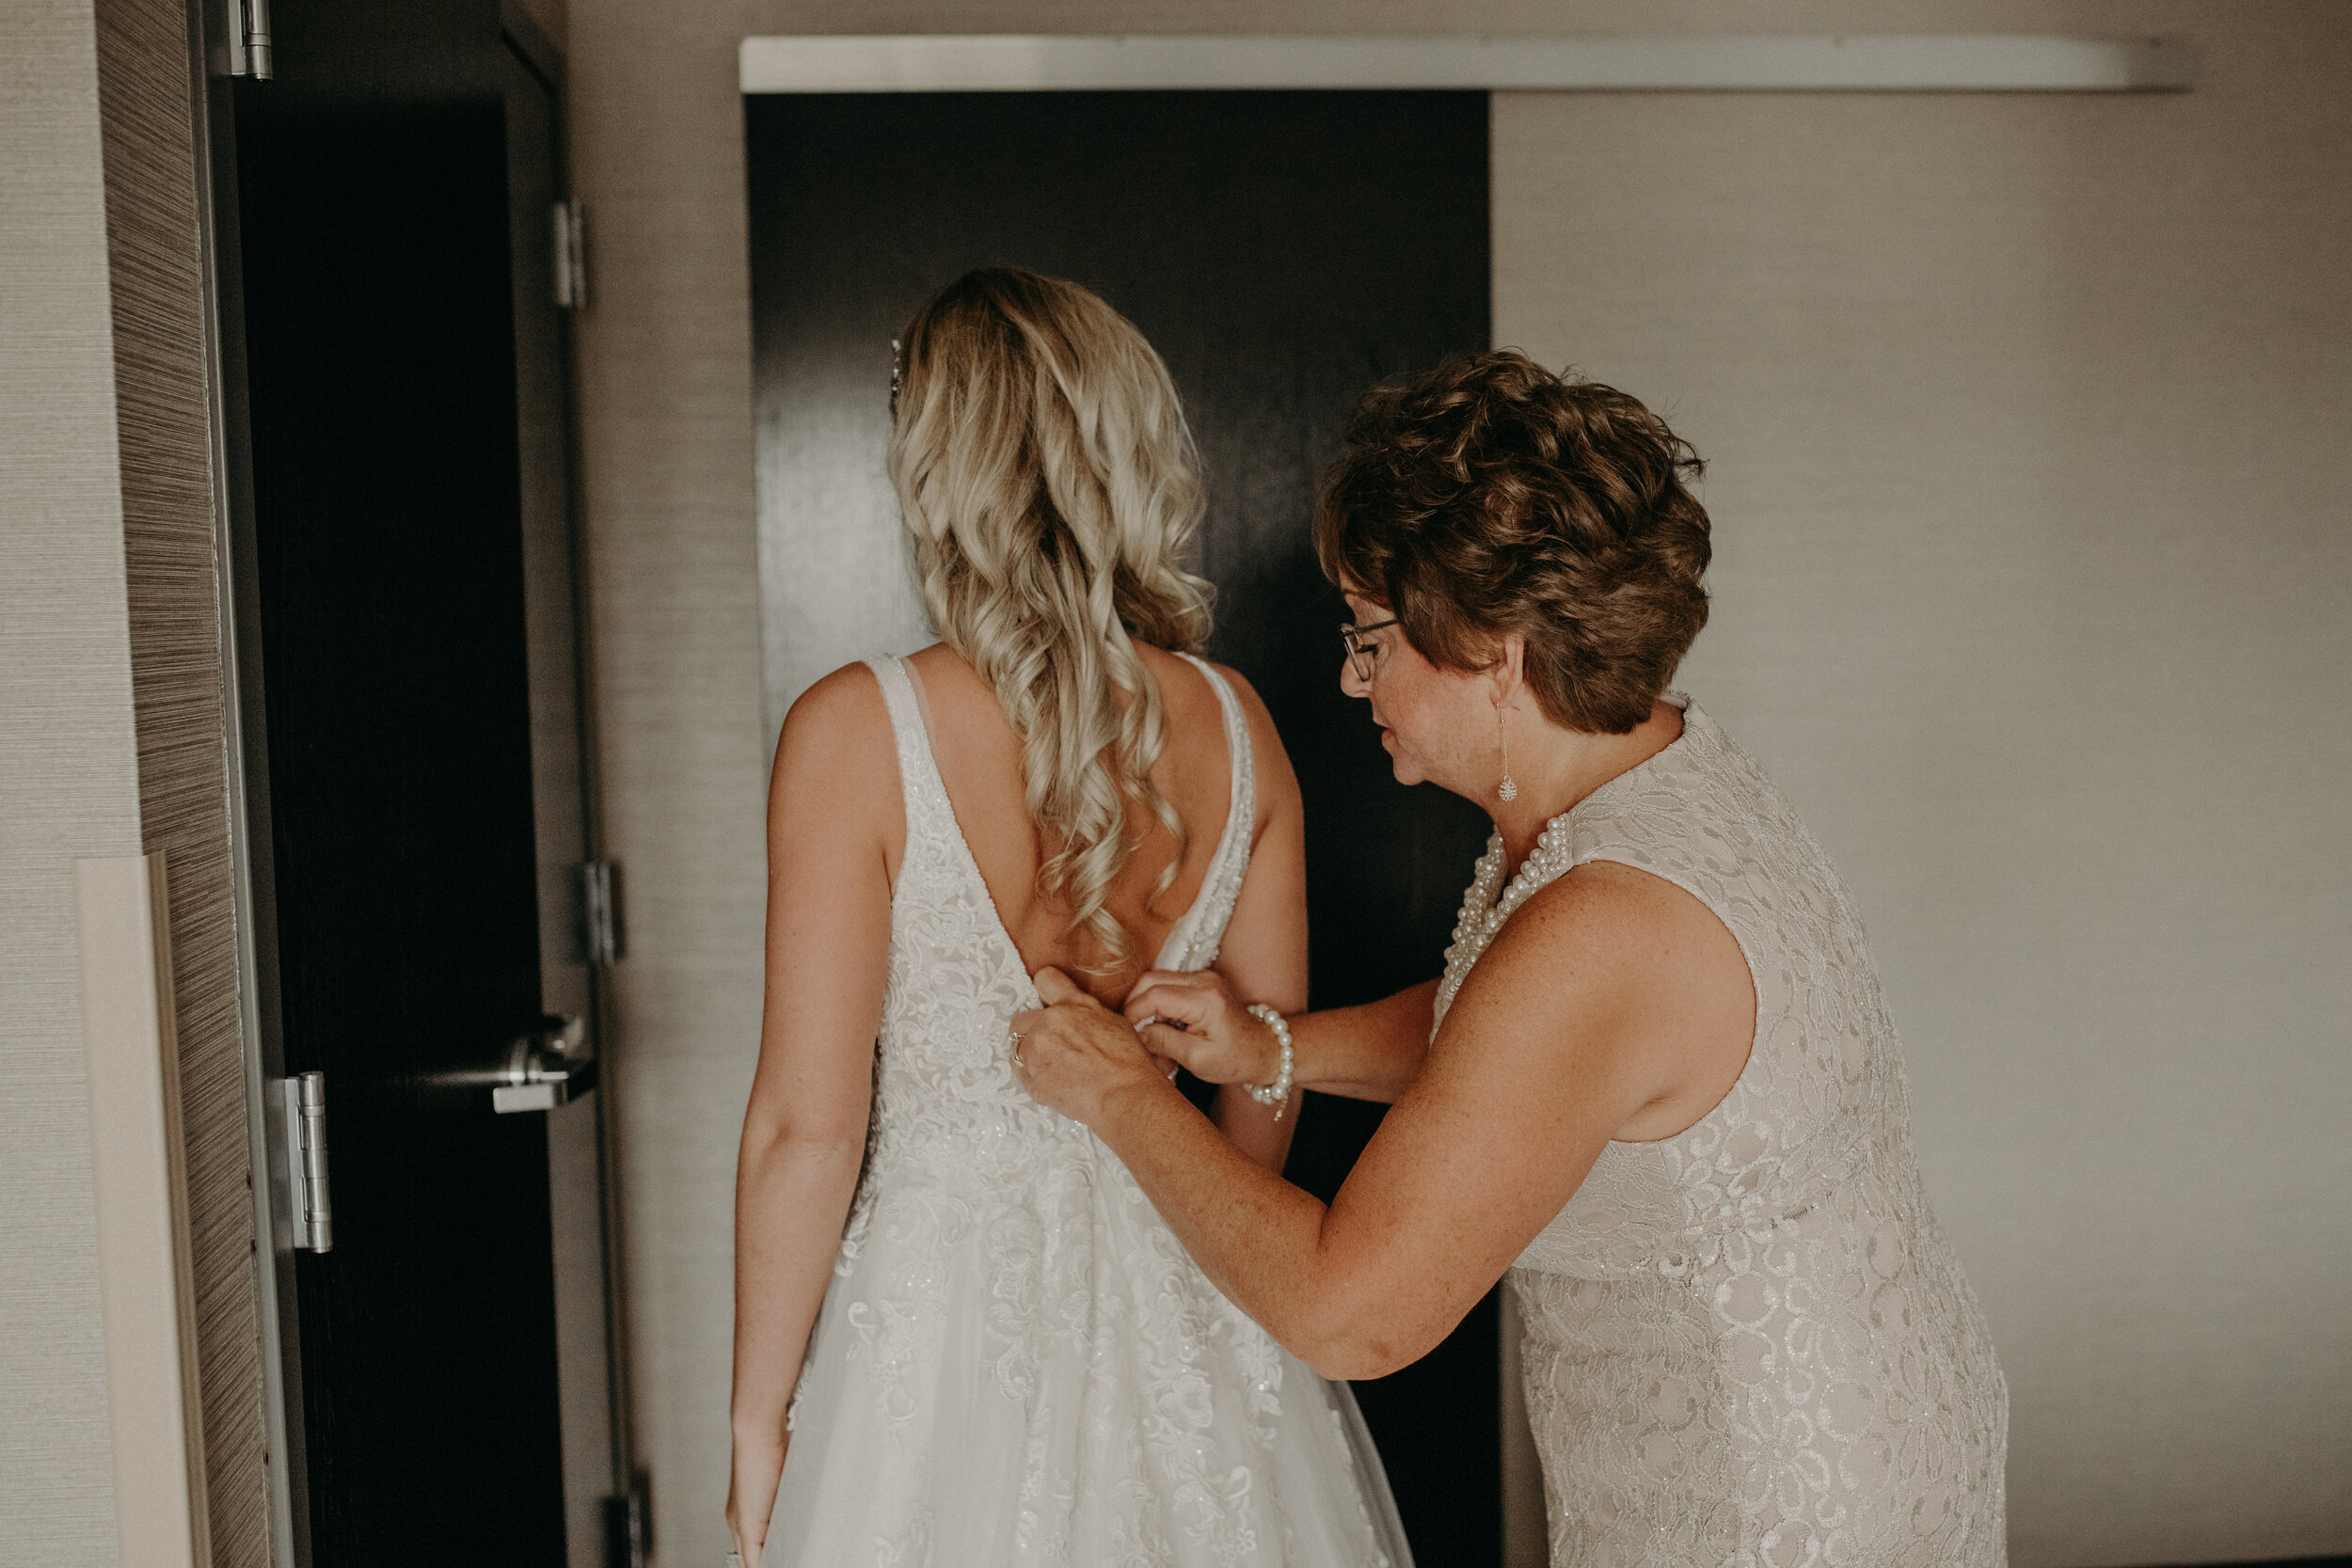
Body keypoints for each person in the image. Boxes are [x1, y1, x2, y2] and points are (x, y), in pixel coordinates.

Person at [1012, 351, 2010, 1566]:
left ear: (1494, 644)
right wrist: (1269, 1045)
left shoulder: (1603, 923)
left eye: (1372, 637)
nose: (1348, 675)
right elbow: (1514, 1041)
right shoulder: (1653, 777)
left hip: (1767, 1502)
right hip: (1846, 1422)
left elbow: (1353, 1313)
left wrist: (1120, 1098)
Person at [726, 267, 1411, 1567]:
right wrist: (1197, 1272)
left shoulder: (853, 731)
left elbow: (804, 1129)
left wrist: (763, 1419)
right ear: (1124, 453)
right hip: (1194, 1308)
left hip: (932, 1356)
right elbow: (1266, 1061)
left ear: (929, 462)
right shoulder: (1238, 726)